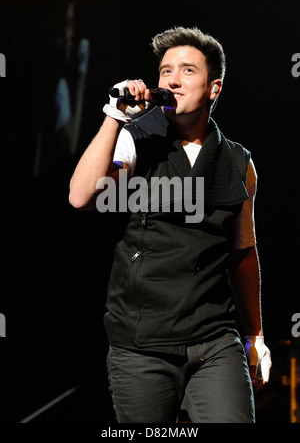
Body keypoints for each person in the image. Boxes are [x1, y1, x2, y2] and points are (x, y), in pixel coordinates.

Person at [69, 26, 272, 423]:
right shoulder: (135, 139)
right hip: (142, 344)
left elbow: (243, 253)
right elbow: (81, 197)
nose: (173, 80)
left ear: (214, 88)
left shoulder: (238, 161)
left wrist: (255, 337)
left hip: (214, 340)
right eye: (165, 72)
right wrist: (114, 118)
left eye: (187, 71)